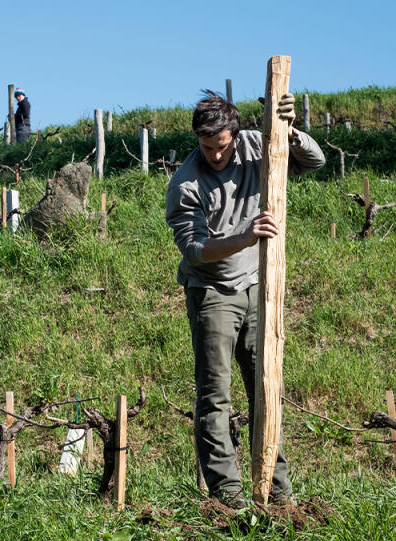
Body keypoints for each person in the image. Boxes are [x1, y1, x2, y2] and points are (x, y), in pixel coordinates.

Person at [165, 90, 325, 509]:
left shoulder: (258, 144)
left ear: (234, 134)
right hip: (211, 292)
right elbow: (195, 250)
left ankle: (277, 491)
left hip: (260, 287)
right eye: (205, 147)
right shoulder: (185, 183)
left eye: (220, 146)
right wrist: (244, 237)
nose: (214, 155)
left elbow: (314, 163)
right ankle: (229, 498)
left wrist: (288, 132)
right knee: (215, 395)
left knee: (265, 388)